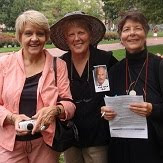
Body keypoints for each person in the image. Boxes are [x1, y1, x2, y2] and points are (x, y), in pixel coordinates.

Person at [0, 10, 75, 163]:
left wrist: (55, 110)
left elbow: (69, 104)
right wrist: (13, 118)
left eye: (40, 34)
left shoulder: (58, 65)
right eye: (28, 33)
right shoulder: (4, 64)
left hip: (45, 143)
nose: (34, 39)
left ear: (46, 37)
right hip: (10, 145)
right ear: (20, 36)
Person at [50, 11, 118, 163]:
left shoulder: (105, 59)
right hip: (70, 136)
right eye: (71, 34)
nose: (77, 38)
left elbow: (122, 85)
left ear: (90, 34)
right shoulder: (61, 64)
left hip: (98, 136)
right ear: (66, 39)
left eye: (81, 32)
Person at [101, 10, 163, 163]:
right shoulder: (114, 70)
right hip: (121, 149)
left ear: (146, 33)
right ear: (121, 37)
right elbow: (107, 105)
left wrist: (153, 109)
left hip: (153, 148)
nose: (132, 33)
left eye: (138, 28)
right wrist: (105, 113)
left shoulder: (159, 66)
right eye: (126, 29)